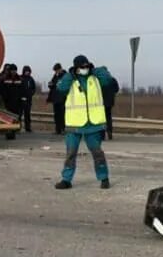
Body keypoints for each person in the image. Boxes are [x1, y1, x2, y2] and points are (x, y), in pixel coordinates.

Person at [53, 55, 113, 189]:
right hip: (74, 124)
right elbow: (61, 88)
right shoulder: (70, 80)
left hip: (93, 124)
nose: (85, 69)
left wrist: (97, 70)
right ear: (76, 68)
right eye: (82, 67)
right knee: (71, 153)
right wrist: (70, 75)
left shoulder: (96, 78)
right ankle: (66, 179)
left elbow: (108, 80)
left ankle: (104, 178)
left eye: (87, 66)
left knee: (97, 153)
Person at [0, 64, 23, 139]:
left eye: (15, 70)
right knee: (8, 118)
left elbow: (23, 90)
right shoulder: (4, 78)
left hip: (17, 102)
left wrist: (22, 99)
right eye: (12, 70)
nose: (14, 72)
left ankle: (14, 132)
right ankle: (9, 133)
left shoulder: (19, 79)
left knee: (15, 117)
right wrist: (5, 98)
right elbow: (1, 89)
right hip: (8, 102)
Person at [46, 63, 67, 135]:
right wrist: (50, 85)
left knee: (62, 115)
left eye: (57, 70)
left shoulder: (65, 76)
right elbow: (52, 85)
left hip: (62, 98)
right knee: (56, 115)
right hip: (56, 99)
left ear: (60, 69)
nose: (56, 72)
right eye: (55, 71)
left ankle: (63, 129)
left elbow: (65, 86)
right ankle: (57, 129)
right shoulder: (55, 76)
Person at [101, 73, 120, 141]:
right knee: (109, 117)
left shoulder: (100, 79)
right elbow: (117, 89)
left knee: (102, 119)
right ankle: (110, 132)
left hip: (101, 102)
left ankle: (102, 135)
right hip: (110, 101)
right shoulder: (112, 79)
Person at [19, 65, 36, 133]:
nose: (27, 73)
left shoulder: (31, 79)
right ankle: (18, 127)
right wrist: (20, 96)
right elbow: (18, 88)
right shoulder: (20, 78)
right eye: (26, 71)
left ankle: (28, 127)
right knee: (19, 114)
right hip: (21, 99)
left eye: (28, 71)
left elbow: (33, 88)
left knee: (27, 114)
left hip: (28, 99)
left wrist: (31, 94)